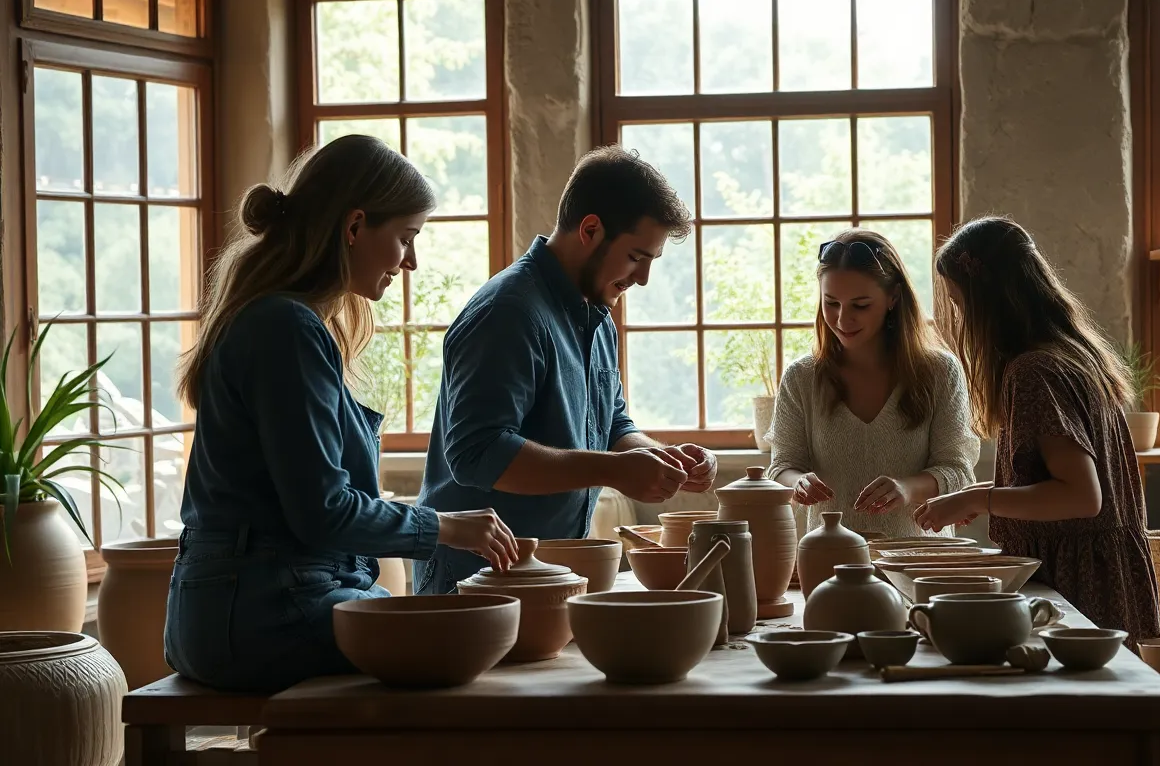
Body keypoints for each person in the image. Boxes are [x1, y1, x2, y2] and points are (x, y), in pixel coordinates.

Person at [165, 135, 519, 693]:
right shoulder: (286, 329)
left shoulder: (283, 321)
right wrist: (447, 527)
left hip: (247, 604)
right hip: (261, 613)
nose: (411, 262)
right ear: (354, 227)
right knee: (470, 643)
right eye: (405, 238)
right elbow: (323, 512)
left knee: (460, 630)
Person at [415, 145, 716, 594]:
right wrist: (614, 470)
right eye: (637, 257)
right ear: (590, 230)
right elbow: (476, 453)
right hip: (472, 585)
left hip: (542, 581)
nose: (643, 279)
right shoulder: (507, 312)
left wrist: (661, 458)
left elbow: (611, 424)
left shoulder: (597, 315)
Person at [913, 216, 1160, 647]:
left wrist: (976, 499)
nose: (959, 317)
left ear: (987, 301)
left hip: (1077, 584)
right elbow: (1056, 481)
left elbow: (1080, 497)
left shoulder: (1034, 372)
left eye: (958, 302)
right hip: (1107, 573)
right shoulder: (1073, 354)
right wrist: (982, 496)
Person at [766, 228, 979, 539]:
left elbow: (958, 472)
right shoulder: (801, 377)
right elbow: (780, 467)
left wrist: (906, 488)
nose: (842, 319)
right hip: (831, 558)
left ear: (893, 297)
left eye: (860, 305)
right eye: (831, 303)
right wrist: (797, 482)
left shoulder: (940, 373)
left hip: (921, 559)